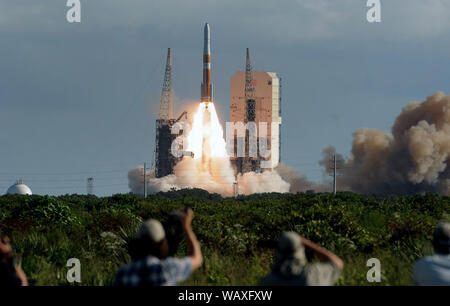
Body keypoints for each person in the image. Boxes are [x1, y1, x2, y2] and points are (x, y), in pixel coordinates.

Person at [113, 207, 202, 286]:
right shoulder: (167, 269)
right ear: (162, 244)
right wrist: (186, 226)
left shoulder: (122, 274)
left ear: (136, 244)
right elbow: (197, 258)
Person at [259, 232, 343, 286]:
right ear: (300, 250)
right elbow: (337, 263)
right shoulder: (314, 274)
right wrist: (305, 242)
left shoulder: (267, 281)